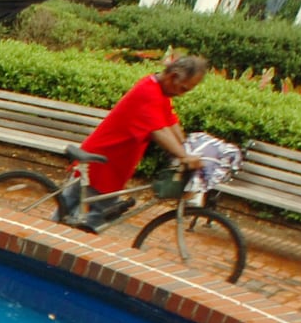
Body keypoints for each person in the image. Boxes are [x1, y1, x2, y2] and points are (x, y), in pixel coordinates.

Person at [60, 55, 209, 233]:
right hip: (102, 162)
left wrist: (187, 147)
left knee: (78, 211)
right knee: (89, 218)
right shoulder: (148, 93)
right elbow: (159, 131)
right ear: (172, 76)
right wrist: (184, 156)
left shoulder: (160, 93)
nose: (181, 93)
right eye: (182, 88)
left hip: (114, 164)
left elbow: (170, 122)